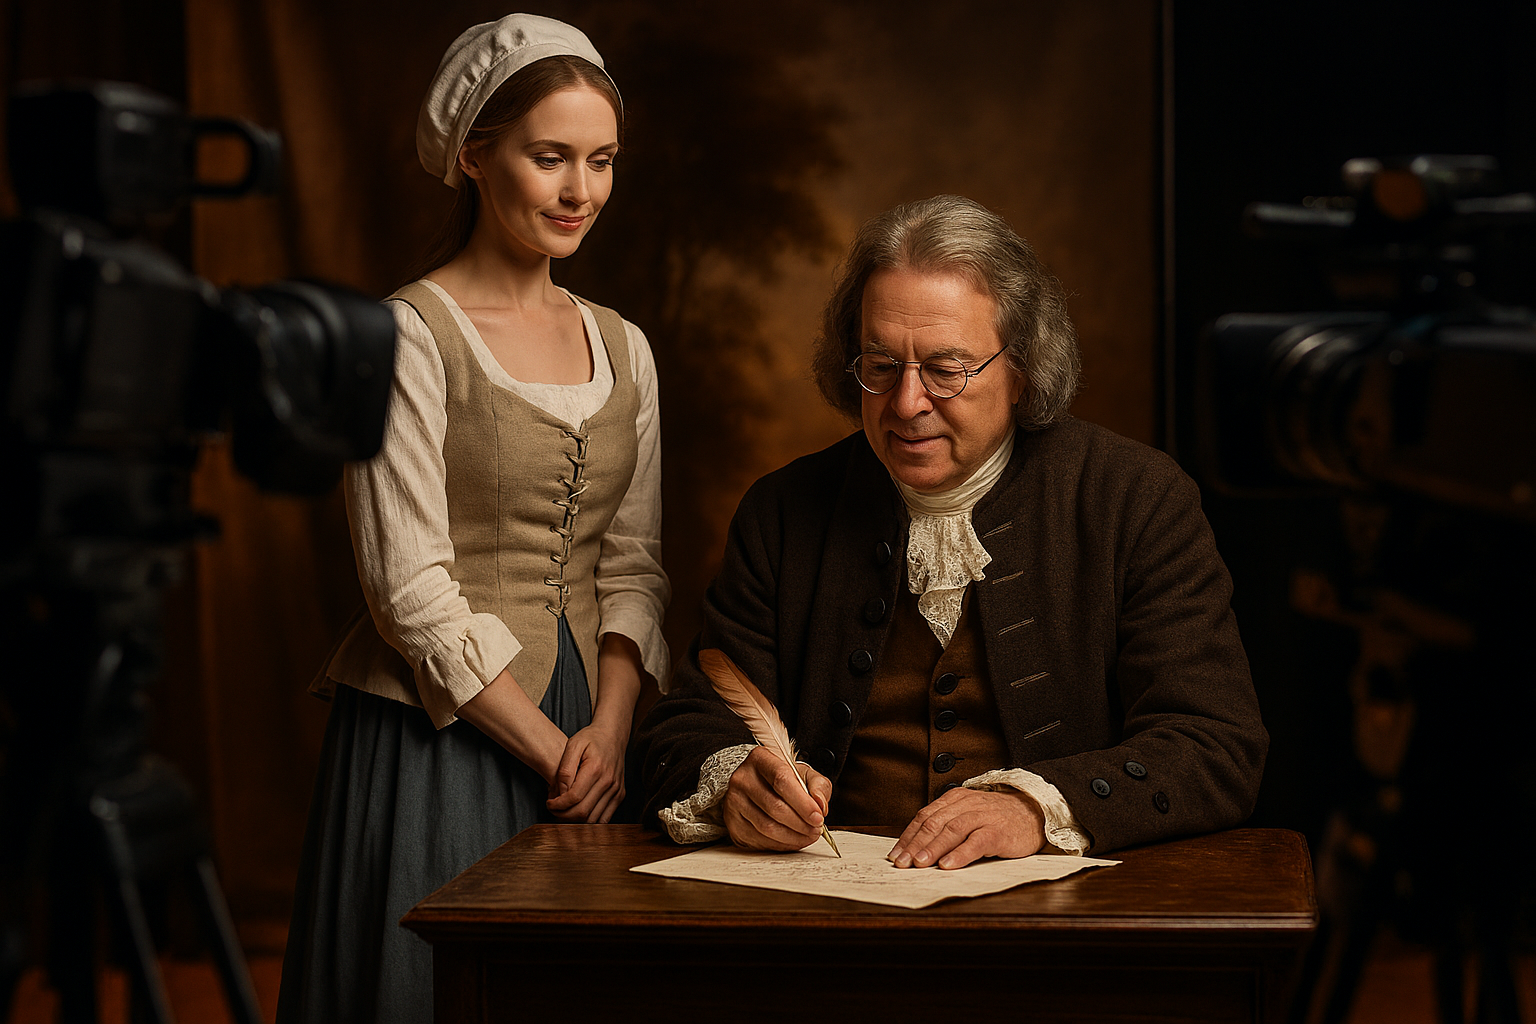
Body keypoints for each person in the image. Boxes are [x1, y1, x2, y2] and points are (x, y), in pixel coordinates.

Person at [636, 194, 1264, 869]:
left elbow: (1214, 744)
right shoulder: (782, 512)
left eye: (946, 370)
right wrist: (735, 783)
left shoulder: (1137, 499)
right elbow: (684, 726)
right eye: (881, 367)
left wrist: (1036, 808)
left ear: (1022, 369)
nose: (907, 404)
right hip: (830, 902)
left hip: (1058, 906)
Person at [277, 14, 668, 1022]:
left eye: (602, 160)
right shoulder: (409, 335)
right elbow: (408, 588)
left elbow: (633, 562)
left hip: (595, 724)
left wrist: (610, 731)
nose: (581, 191)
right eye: (550, 157)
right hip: (443, 733)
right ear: (473, 155)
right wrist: (551, 750)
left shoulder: (624, 345)